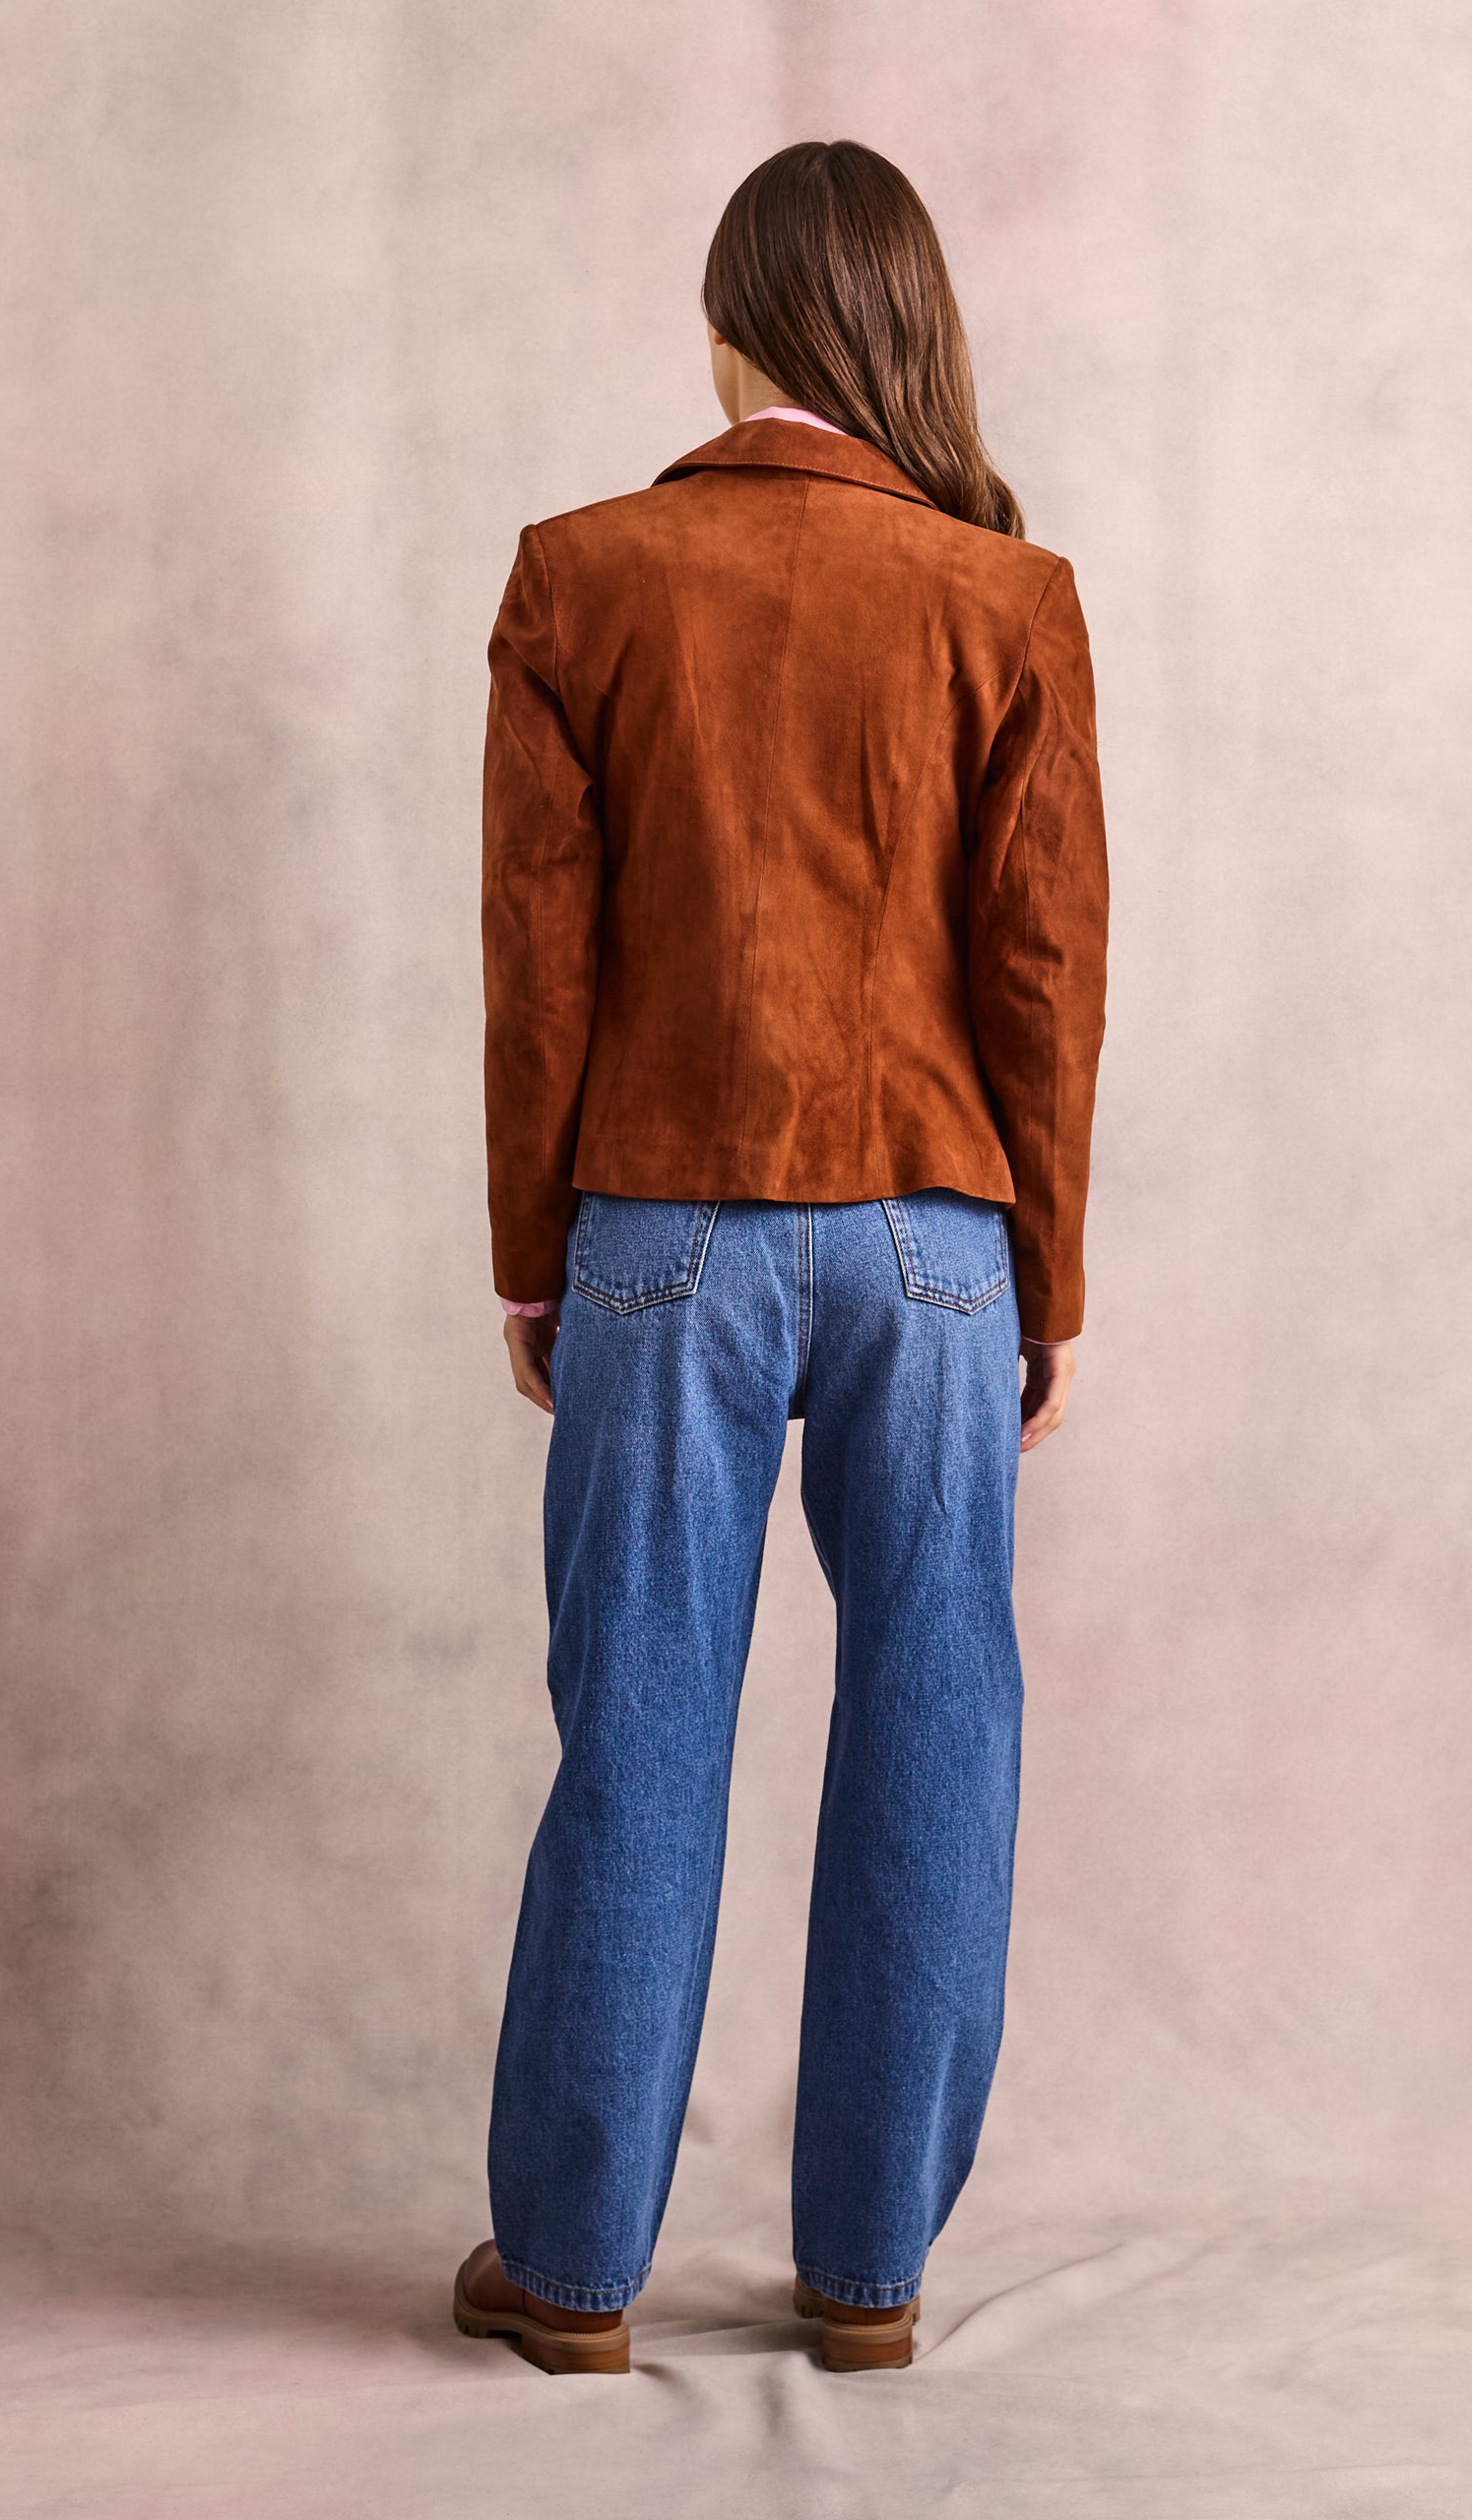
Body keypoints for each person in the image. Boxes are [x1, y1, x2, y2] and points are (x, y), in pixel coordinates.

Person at [453, 139, 1109, 2376]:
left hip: (661, 1227)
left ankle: (572, 2278)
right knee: (939, 1721)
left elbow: (538, 961)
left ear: (730, 333)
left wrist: (535, 1260)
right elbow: (1044, 977)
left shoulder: (583, 576)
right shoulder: (1006, 598)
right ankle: (868, 2277)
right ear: (903, 333)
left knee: (637, 1721)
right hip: (936, 1240)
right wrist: (1048, 1283)